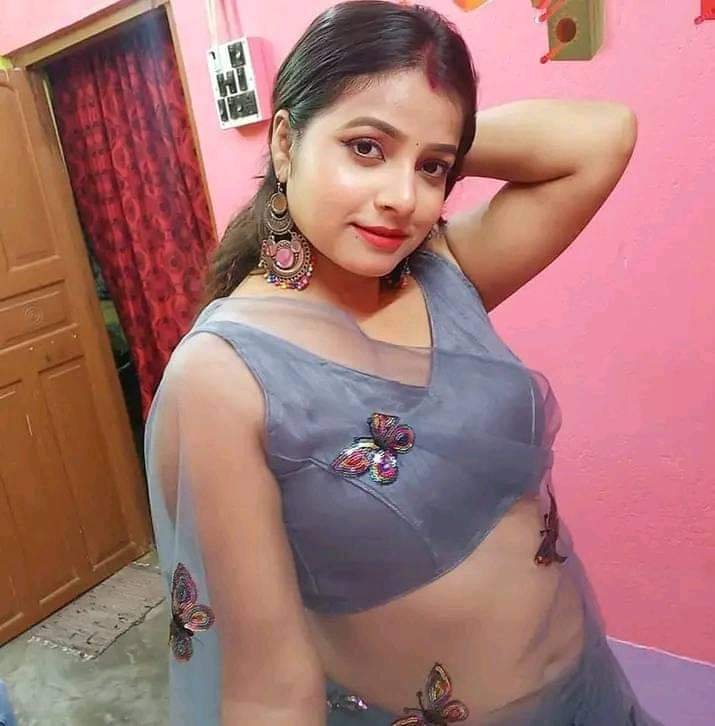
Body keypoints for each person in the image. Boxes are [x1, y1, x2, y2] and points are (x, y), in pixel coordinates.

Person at [145, 2, 662, 724]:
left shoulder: (443, 273)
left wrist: (421, 136)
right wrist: (413, 140)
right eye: (364, 148)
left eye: (431, 169)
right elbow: (268, 691)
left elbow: (603, 136)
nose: (402, 199)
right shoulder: (223, 376)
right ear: (285, 143)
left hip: (591, 690)